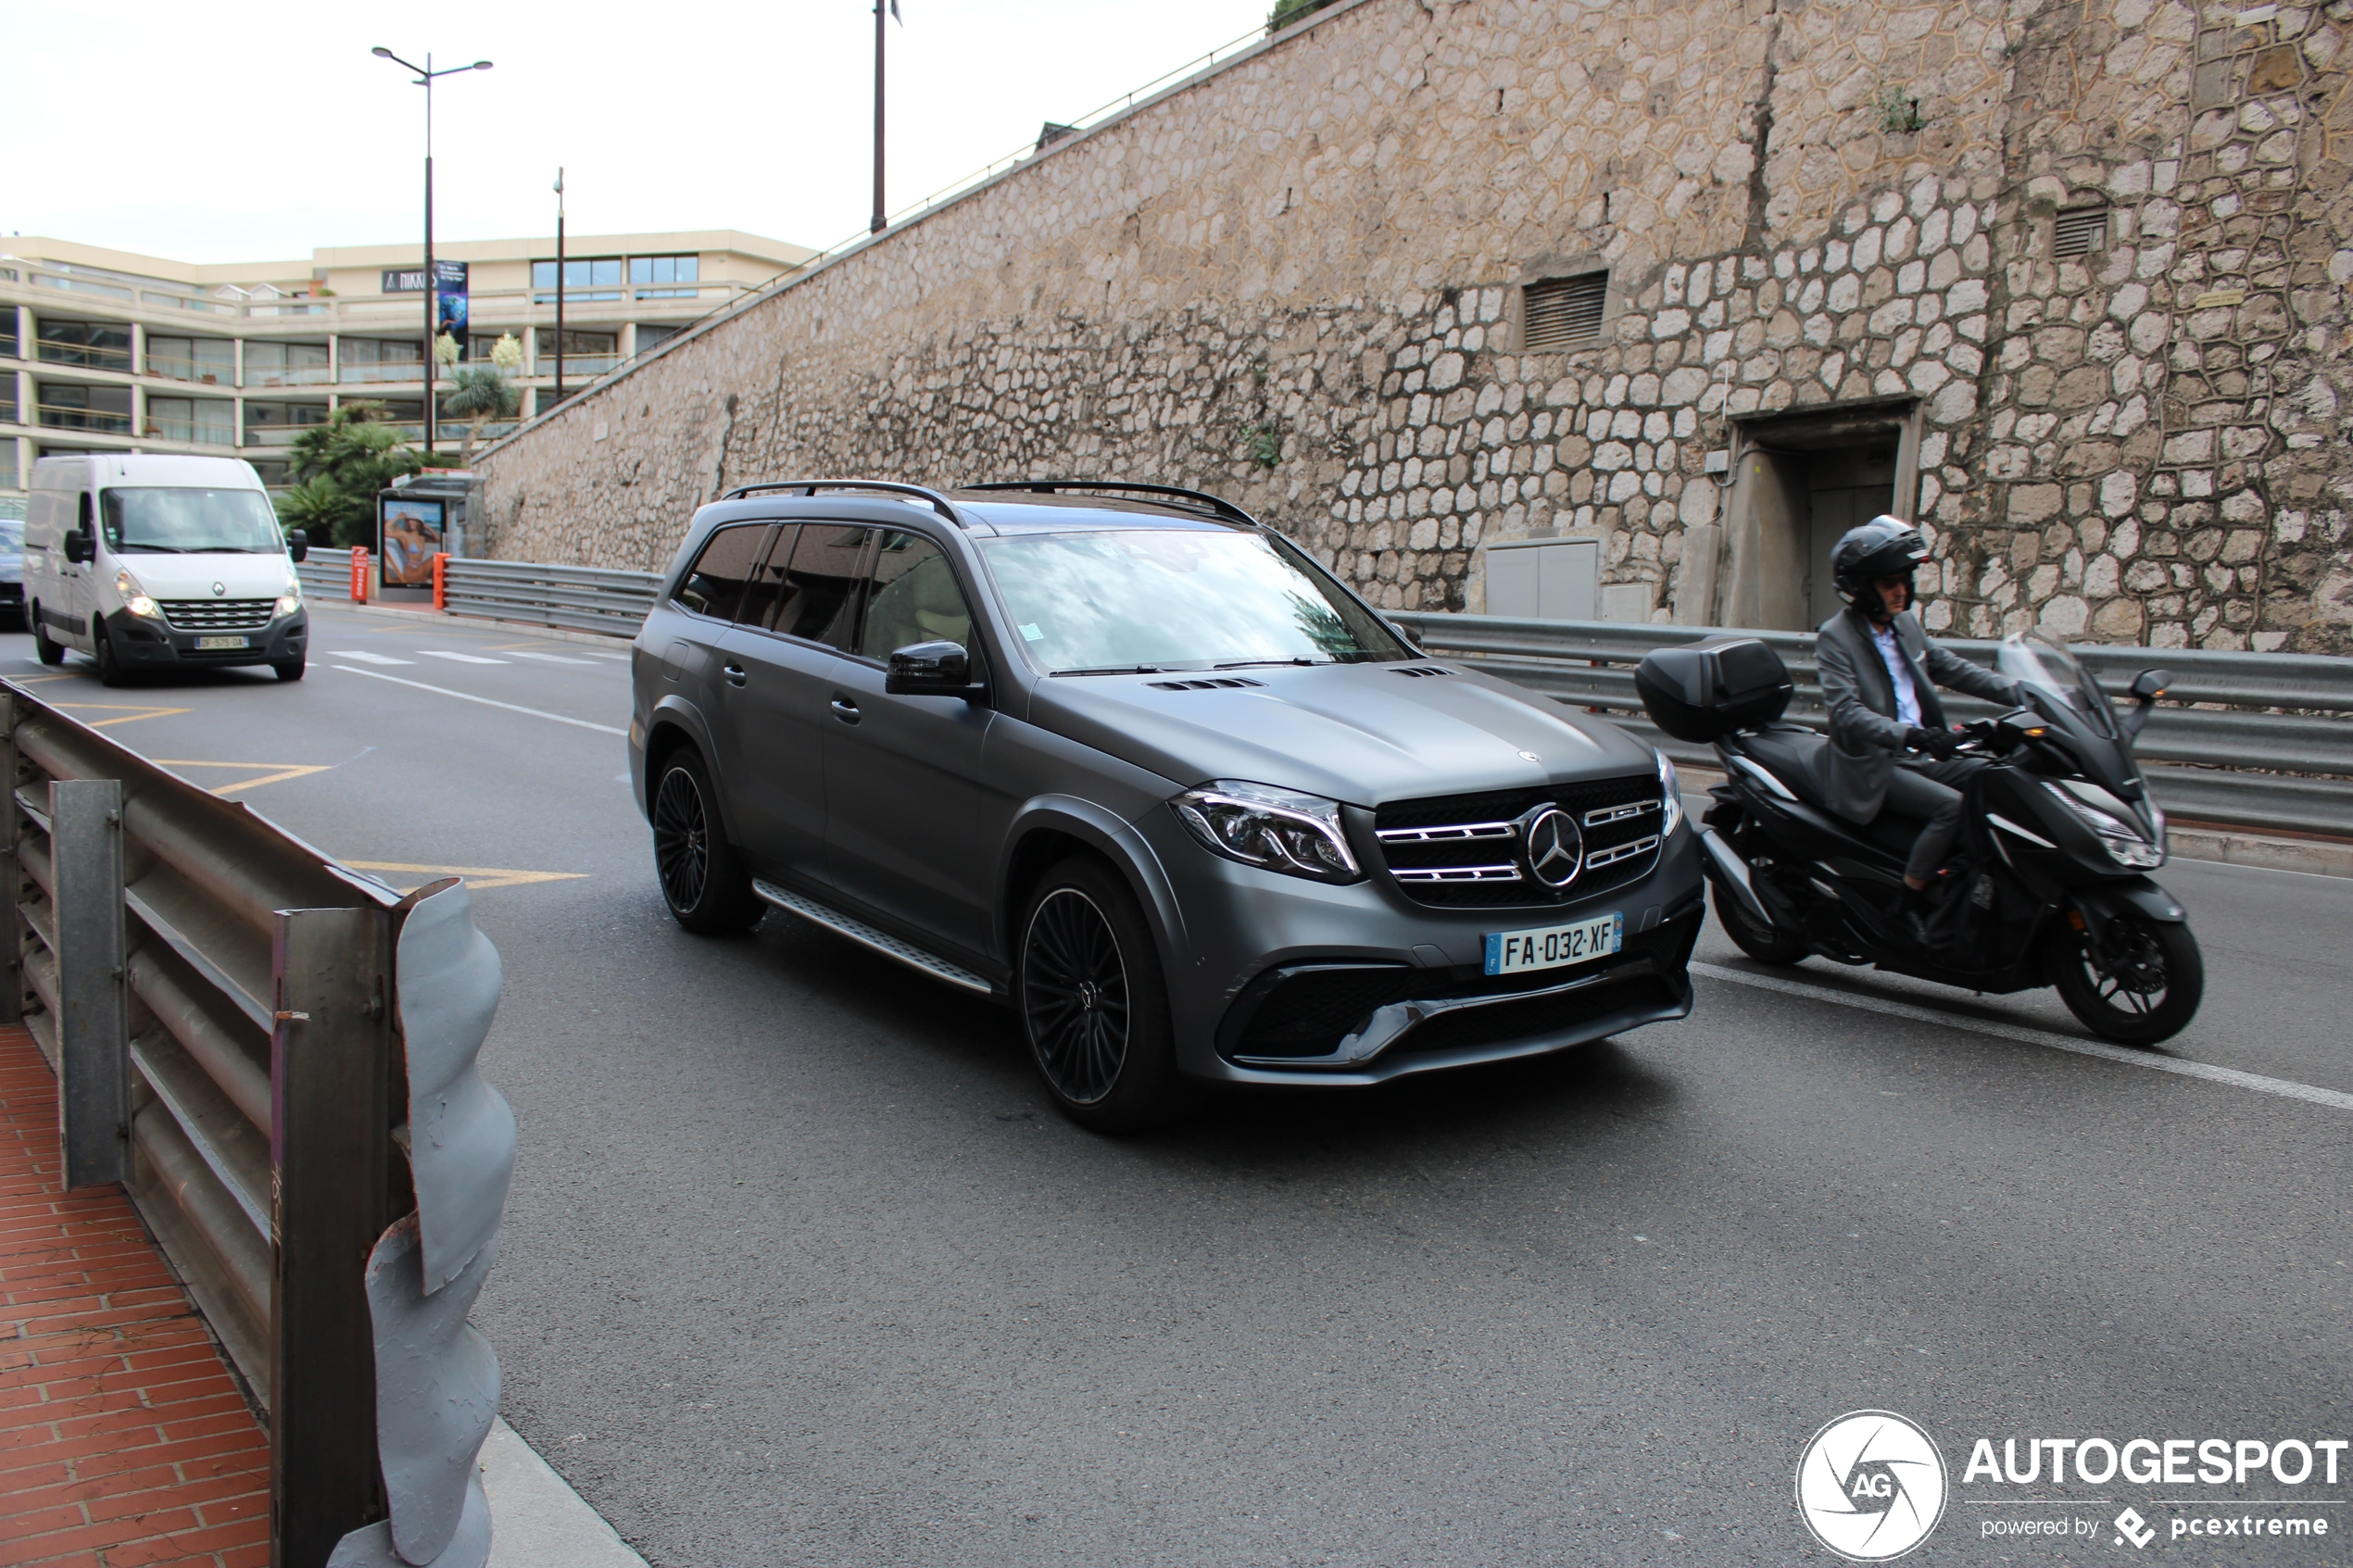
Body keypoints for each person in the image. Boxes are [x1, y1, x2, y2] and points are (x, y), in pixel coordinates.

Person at [1813, 517, 2021, 942]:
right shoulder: (1835, 637)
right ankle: (1907, 904)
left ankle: (1975, 884)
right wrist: (1912, 735)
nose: (1901, 590)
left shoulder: (1904, 624)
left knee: (1998, 780)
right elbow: (1846, 713)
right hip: (1877, 763)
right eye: (1889, 583)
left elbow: (1951, 668)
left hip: (1922, 754)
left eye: (1905, 580)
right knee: (1951, 808)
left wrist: (2023, 694)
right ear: (1862, 587)